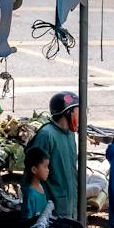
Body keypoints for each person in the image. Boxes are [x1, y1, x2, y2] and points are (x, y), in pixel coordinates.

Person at [27, 91, 83, 221]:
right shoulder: (47, 135)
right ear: (68, 113)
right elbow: (33, 175)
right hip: (53, 209)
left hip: (71, 206)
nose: (80, 116)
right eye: (78, 111)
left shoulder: (70, 134)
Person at [21, 146, 52, 225]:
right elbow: (27, 222)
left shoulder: (41, 187)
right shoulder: (30, 194)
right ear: (34, 170)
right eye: (45, 167)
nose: (48, 170)